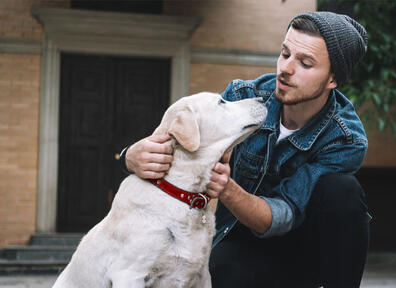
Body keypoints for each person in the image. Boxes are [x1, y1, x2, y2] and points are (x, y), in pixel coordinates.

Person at [121, 11, 371, 288]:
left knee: (343, 191)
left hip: (308, 253)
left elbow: (284, 215)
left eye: (305, 63)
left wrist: (226, 188)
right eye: (285, 53)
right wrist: (130, 155)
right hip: (241, 238)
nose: (285, 69)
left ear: (333, 79)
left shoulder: (345, 138)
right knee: (220, 271)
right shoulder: (244, 98)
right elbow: (182, 145)